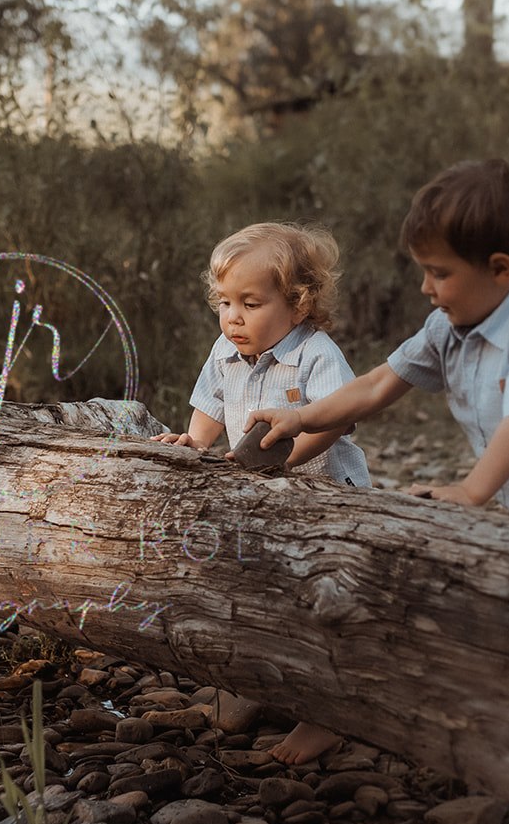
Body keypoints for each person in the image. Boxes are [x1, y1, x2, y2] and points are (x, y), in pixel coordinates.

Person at [243, 158, 509, 530]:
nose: (426, 287)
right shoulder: (447, 327)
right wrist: (301, 419)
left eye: (439, 273)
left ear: (500, 269)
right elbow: (378, 384)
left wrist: (471, 493)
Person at [153, 220, 370, 765]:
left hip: (326, 501)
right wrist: (193, 442)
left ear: (297, 305)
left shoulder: (316, 354)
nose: (233, 317)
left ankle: (326, 718)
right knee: (255, 593)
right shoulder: (224, 352)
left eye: (250, 303)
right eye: (224, 303)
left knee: (316, 605)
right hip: (260, 501)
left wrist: (285, 458)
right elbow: (208, 409)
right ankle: (265, 683)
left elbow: (335, 421)